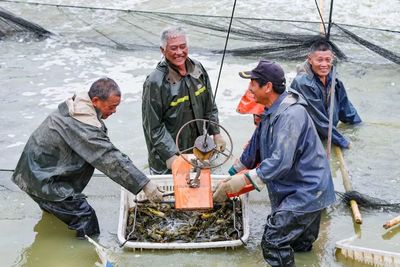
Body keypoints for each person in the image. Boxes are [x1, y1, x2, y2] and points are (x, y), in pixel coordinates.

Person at [213, 60, 336, 266]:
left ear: (267, 87)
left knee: (272, 242)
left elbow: (281, 162)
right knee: (299, 246)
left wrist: (243, 181)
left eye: (253, 83)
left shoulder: (291, 115)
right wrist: (230, 175)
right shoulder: (271, 111)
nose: (249, 88)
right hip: (296, 188)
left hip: (306, 191)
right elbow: (253, 149)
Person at [12, 77, 163, 239]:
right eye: (112, 107)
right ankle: (85, 255)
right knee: (85, 217)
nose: (114, 111)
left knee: (58, 208)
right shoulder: (82, 124)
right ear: (96, 101)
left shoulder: (79, 108)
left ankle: (51, 216)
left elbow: (107, 151)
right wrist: (144, 184)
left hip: (33, 173)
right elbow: (109, 158)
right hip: (43, 180)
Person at [142, 26, 226, 175]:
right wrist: (172, 156)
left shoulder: (197, 69)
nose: (179, 52)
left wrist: (216, 133)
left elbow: (210, 105)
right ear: (163, 50)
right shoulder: (154, 82)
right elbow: (153, 127)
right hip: (168, 157)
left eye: (183, 46)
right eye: (173, 48)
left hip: (198, 148)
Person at [290, 39, 362, 149]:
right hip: (304, 136)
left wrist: (358, 129)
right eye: (319, 60)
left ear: (332, 58)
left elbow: (346, 109)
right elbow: (318, 119)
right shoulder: (303, 83)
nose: (324, 64)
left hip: (325, 131)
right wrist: (344, 142)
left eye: (327, 60)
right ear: (310, 60)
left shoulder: (334, 81)